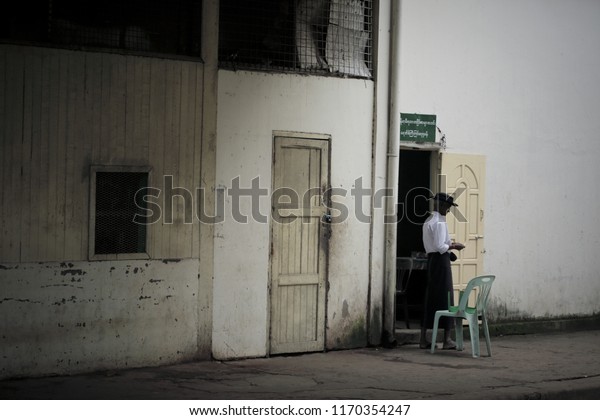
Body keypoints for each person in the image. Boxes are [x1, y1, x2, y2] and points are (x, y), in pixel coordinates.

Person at [420, 192, 465, 350]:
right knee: (446, 297)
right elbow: (440, 246)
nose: (448, 210)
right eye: (447, 207)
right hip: (440, 262)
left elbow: (435, 245)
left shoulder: (428, 221)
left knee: (431, 297)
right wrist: (454, 246)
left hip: (433, 261)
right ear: (442, 206)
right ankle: (447, 339)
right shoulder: (439, 222)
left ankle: (423, 338)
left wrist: (448, 249)